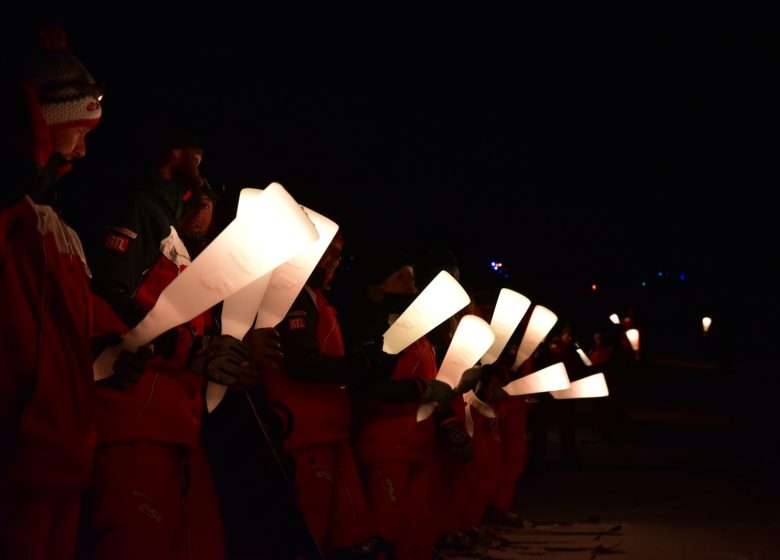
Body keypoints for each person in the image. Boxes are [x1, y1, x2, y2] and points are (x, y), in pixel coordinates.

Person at [82, 121, 278, 559]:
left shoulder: (181, 246)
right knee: (133, 542)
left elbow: (191, 334)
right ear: (175, 154)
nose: (207, 200)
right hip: (137, 416)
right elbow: (110, 294)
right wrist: (193, 351)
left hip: (179, 426)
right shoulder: (141, 209)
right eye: (197, 158)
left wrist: (232, 363)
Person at [0, 22, 140, 560]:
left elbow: (80, 326)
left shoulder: (64, 232)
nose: (82, 153)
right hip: (16, 459)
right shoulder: (10, 215)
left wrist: (114, 352)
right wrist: (28, 79)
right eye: (77, 132)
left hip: (67, 460)